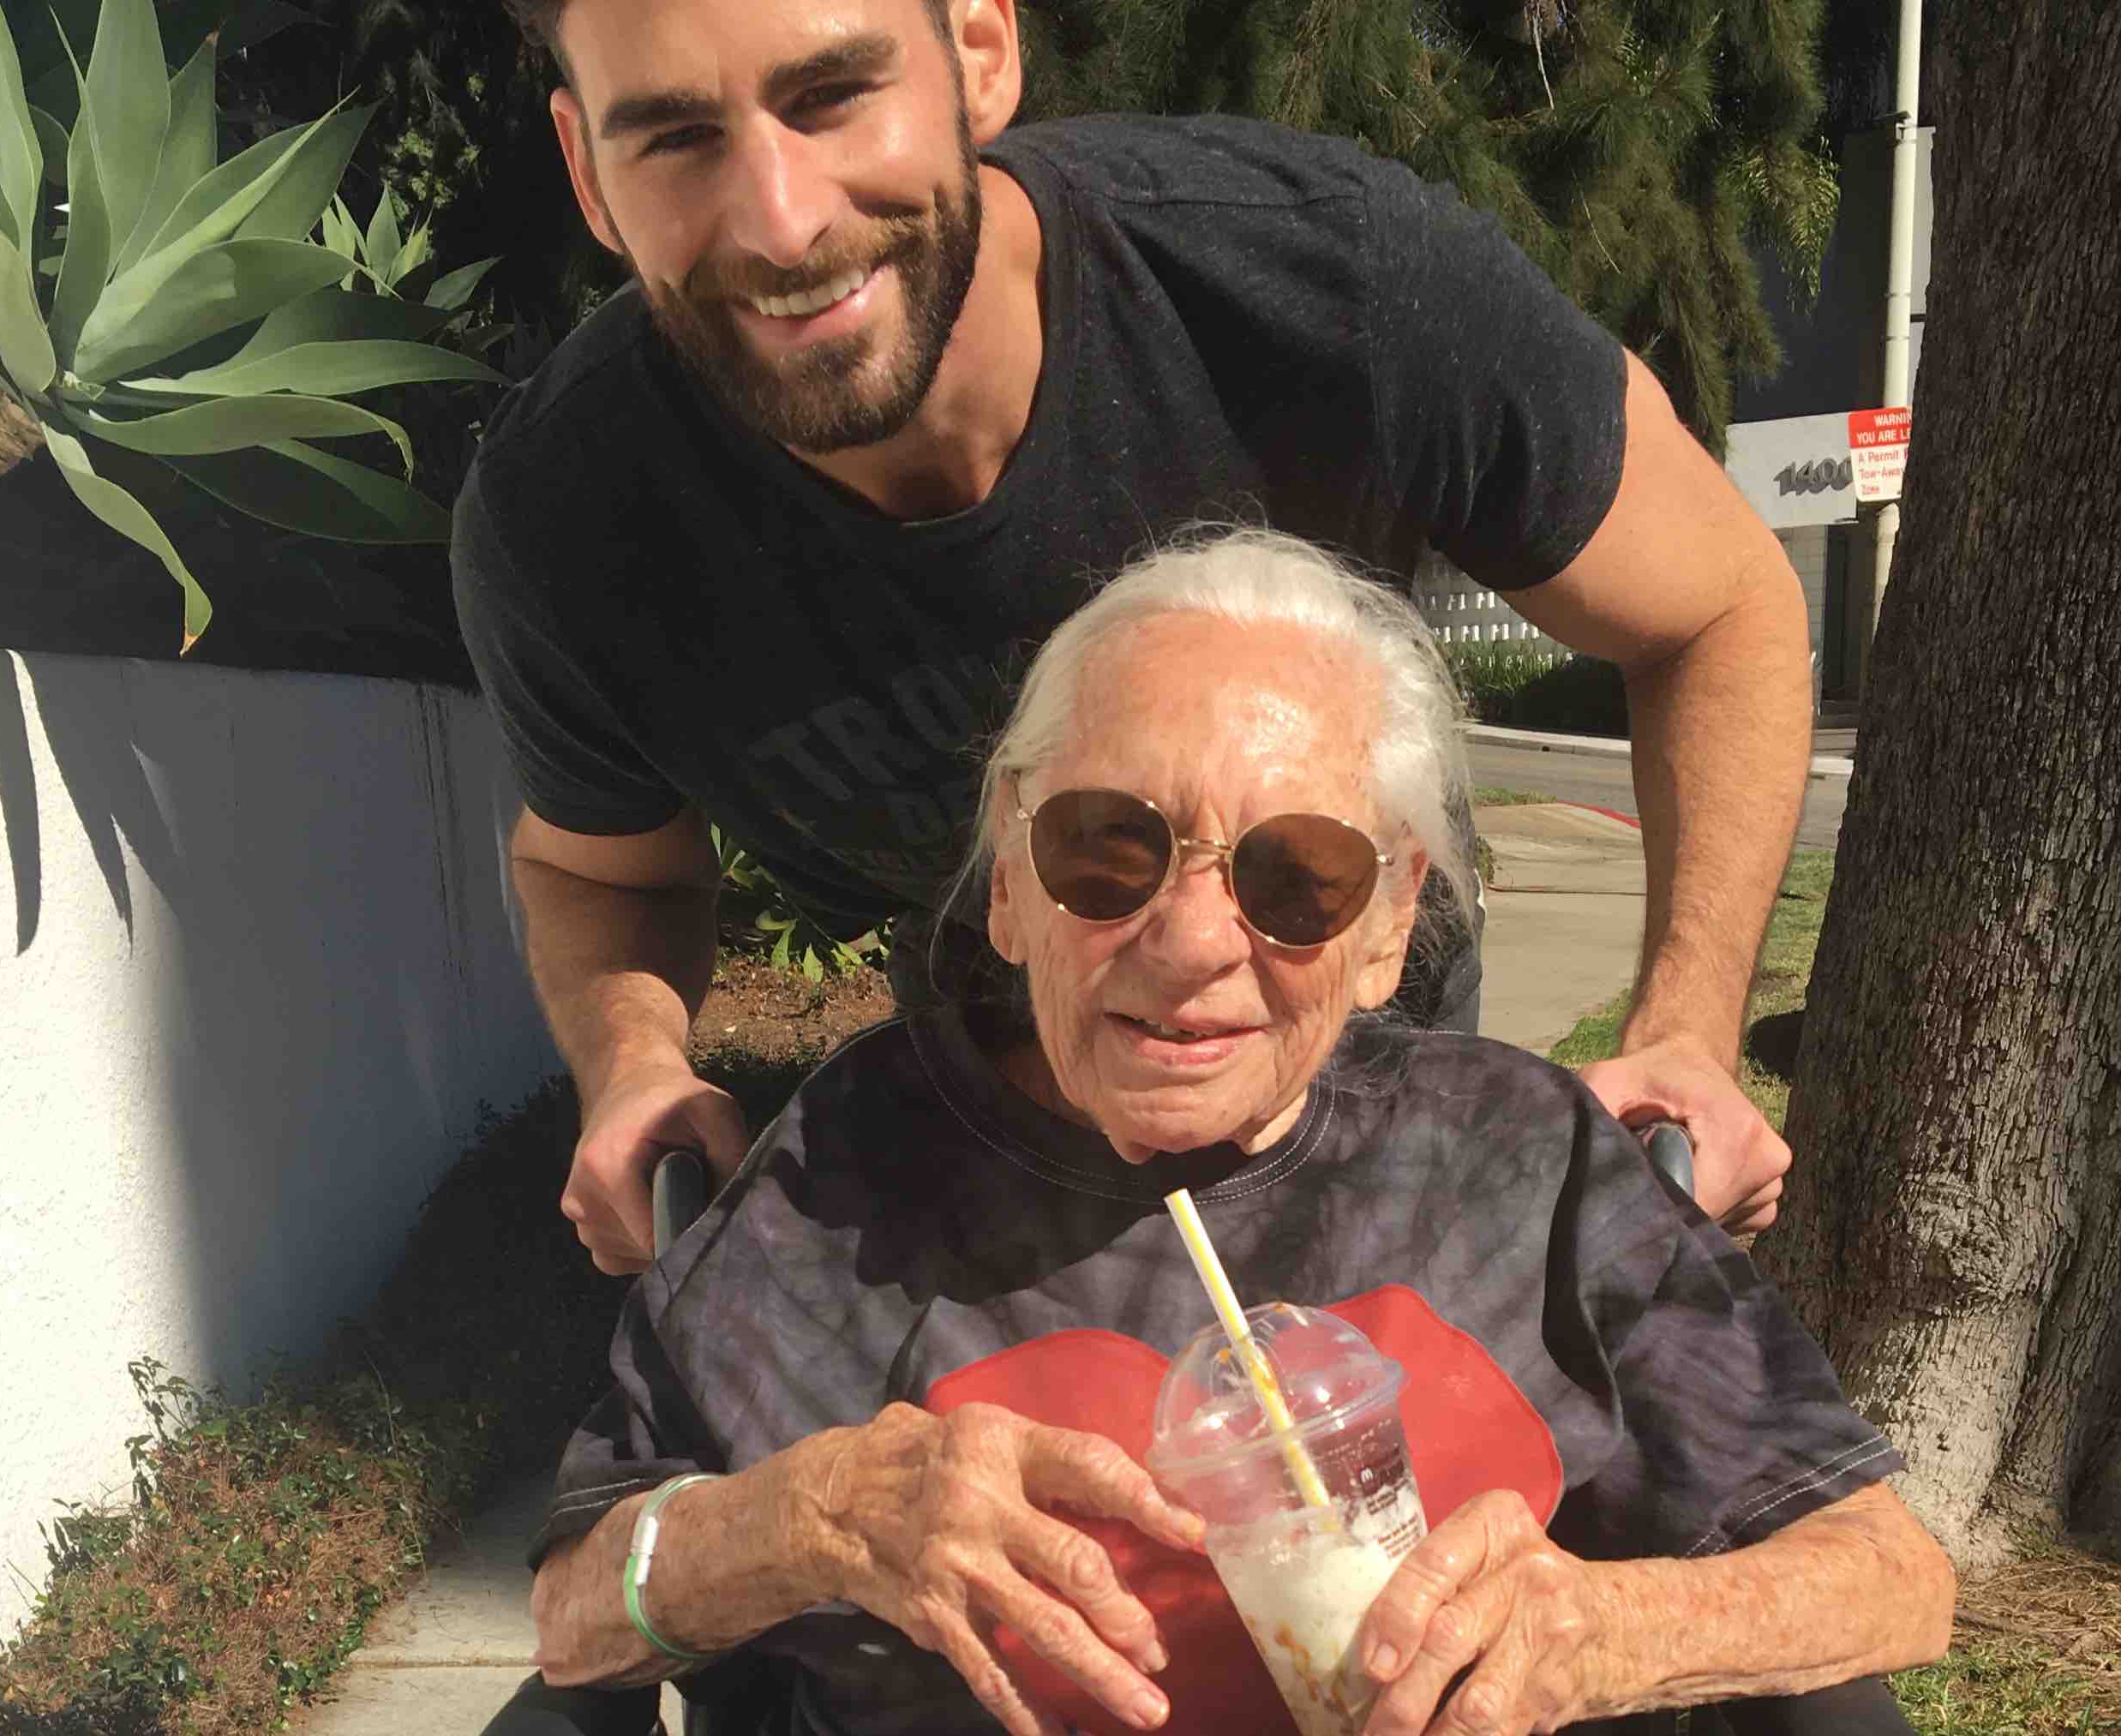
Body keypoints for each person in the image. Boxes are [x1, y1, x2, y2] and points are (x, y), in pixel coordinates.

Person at [479, 532, 1953, 1736]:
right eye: (1108, 847)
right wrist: (809, 1516)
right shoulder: (836, 1190)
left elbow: (1891, 1578)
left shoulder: (1517, 1161)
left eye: (1295, 876)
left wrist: (1607, 1629)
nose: (1190, 942)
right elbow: (574, 1612)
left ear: (1388, 926)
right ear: (1006, 874)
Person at [453, 0, 1820, 1276]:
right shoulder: (567, 515)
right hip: (980, 1196)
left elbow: (1718, 608)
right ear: (587, 172)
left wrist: (1688, 1030)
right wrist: (633, 1060)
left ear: (980, 50)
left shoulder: (1321, 279)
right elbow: (601, 869)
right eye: (679, 138)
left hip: (1371, 1150)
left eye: (833, 95)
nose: (780, 220)